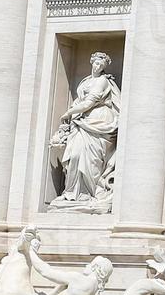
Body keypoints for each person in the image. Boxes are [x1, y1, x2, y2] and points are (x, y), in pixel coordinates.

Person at [49, 53, 119, 208]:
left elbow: (89, 103)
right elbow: (80, 101)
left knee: (91, 159)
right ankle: (71, 192)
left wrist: (69, 112)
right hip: (82, 121)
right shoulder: (86, 81)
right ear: (91, 62)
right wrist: (73, 113)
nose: (98, 67)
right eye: (96, 63)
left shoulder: (102, 81)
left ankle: (88, 193)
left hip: (98, 120)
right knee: (75, 155)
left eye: (101, 65)